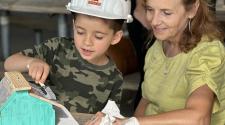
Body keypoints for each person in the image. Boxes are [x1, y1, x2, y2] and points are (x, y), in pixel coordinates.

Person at [86, 0, 225, 124]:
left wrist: (131, 122)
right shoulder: (157, 47)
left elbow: (199, 118)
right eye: (150, 9)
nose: (154, 21)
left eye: (166, 13)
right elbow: (147, 101)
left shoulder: (208, 52)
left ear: (193, 9)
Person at [4, 0, 133, 114]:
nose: (87, 42)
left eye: (98, 36)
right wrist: (31, 62)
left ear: (115, 37)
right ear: (73, 25)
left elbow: (111, 117)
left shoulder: (114, 78)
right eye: (80, 32)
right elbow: (9, 63)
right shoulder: (58, 48)